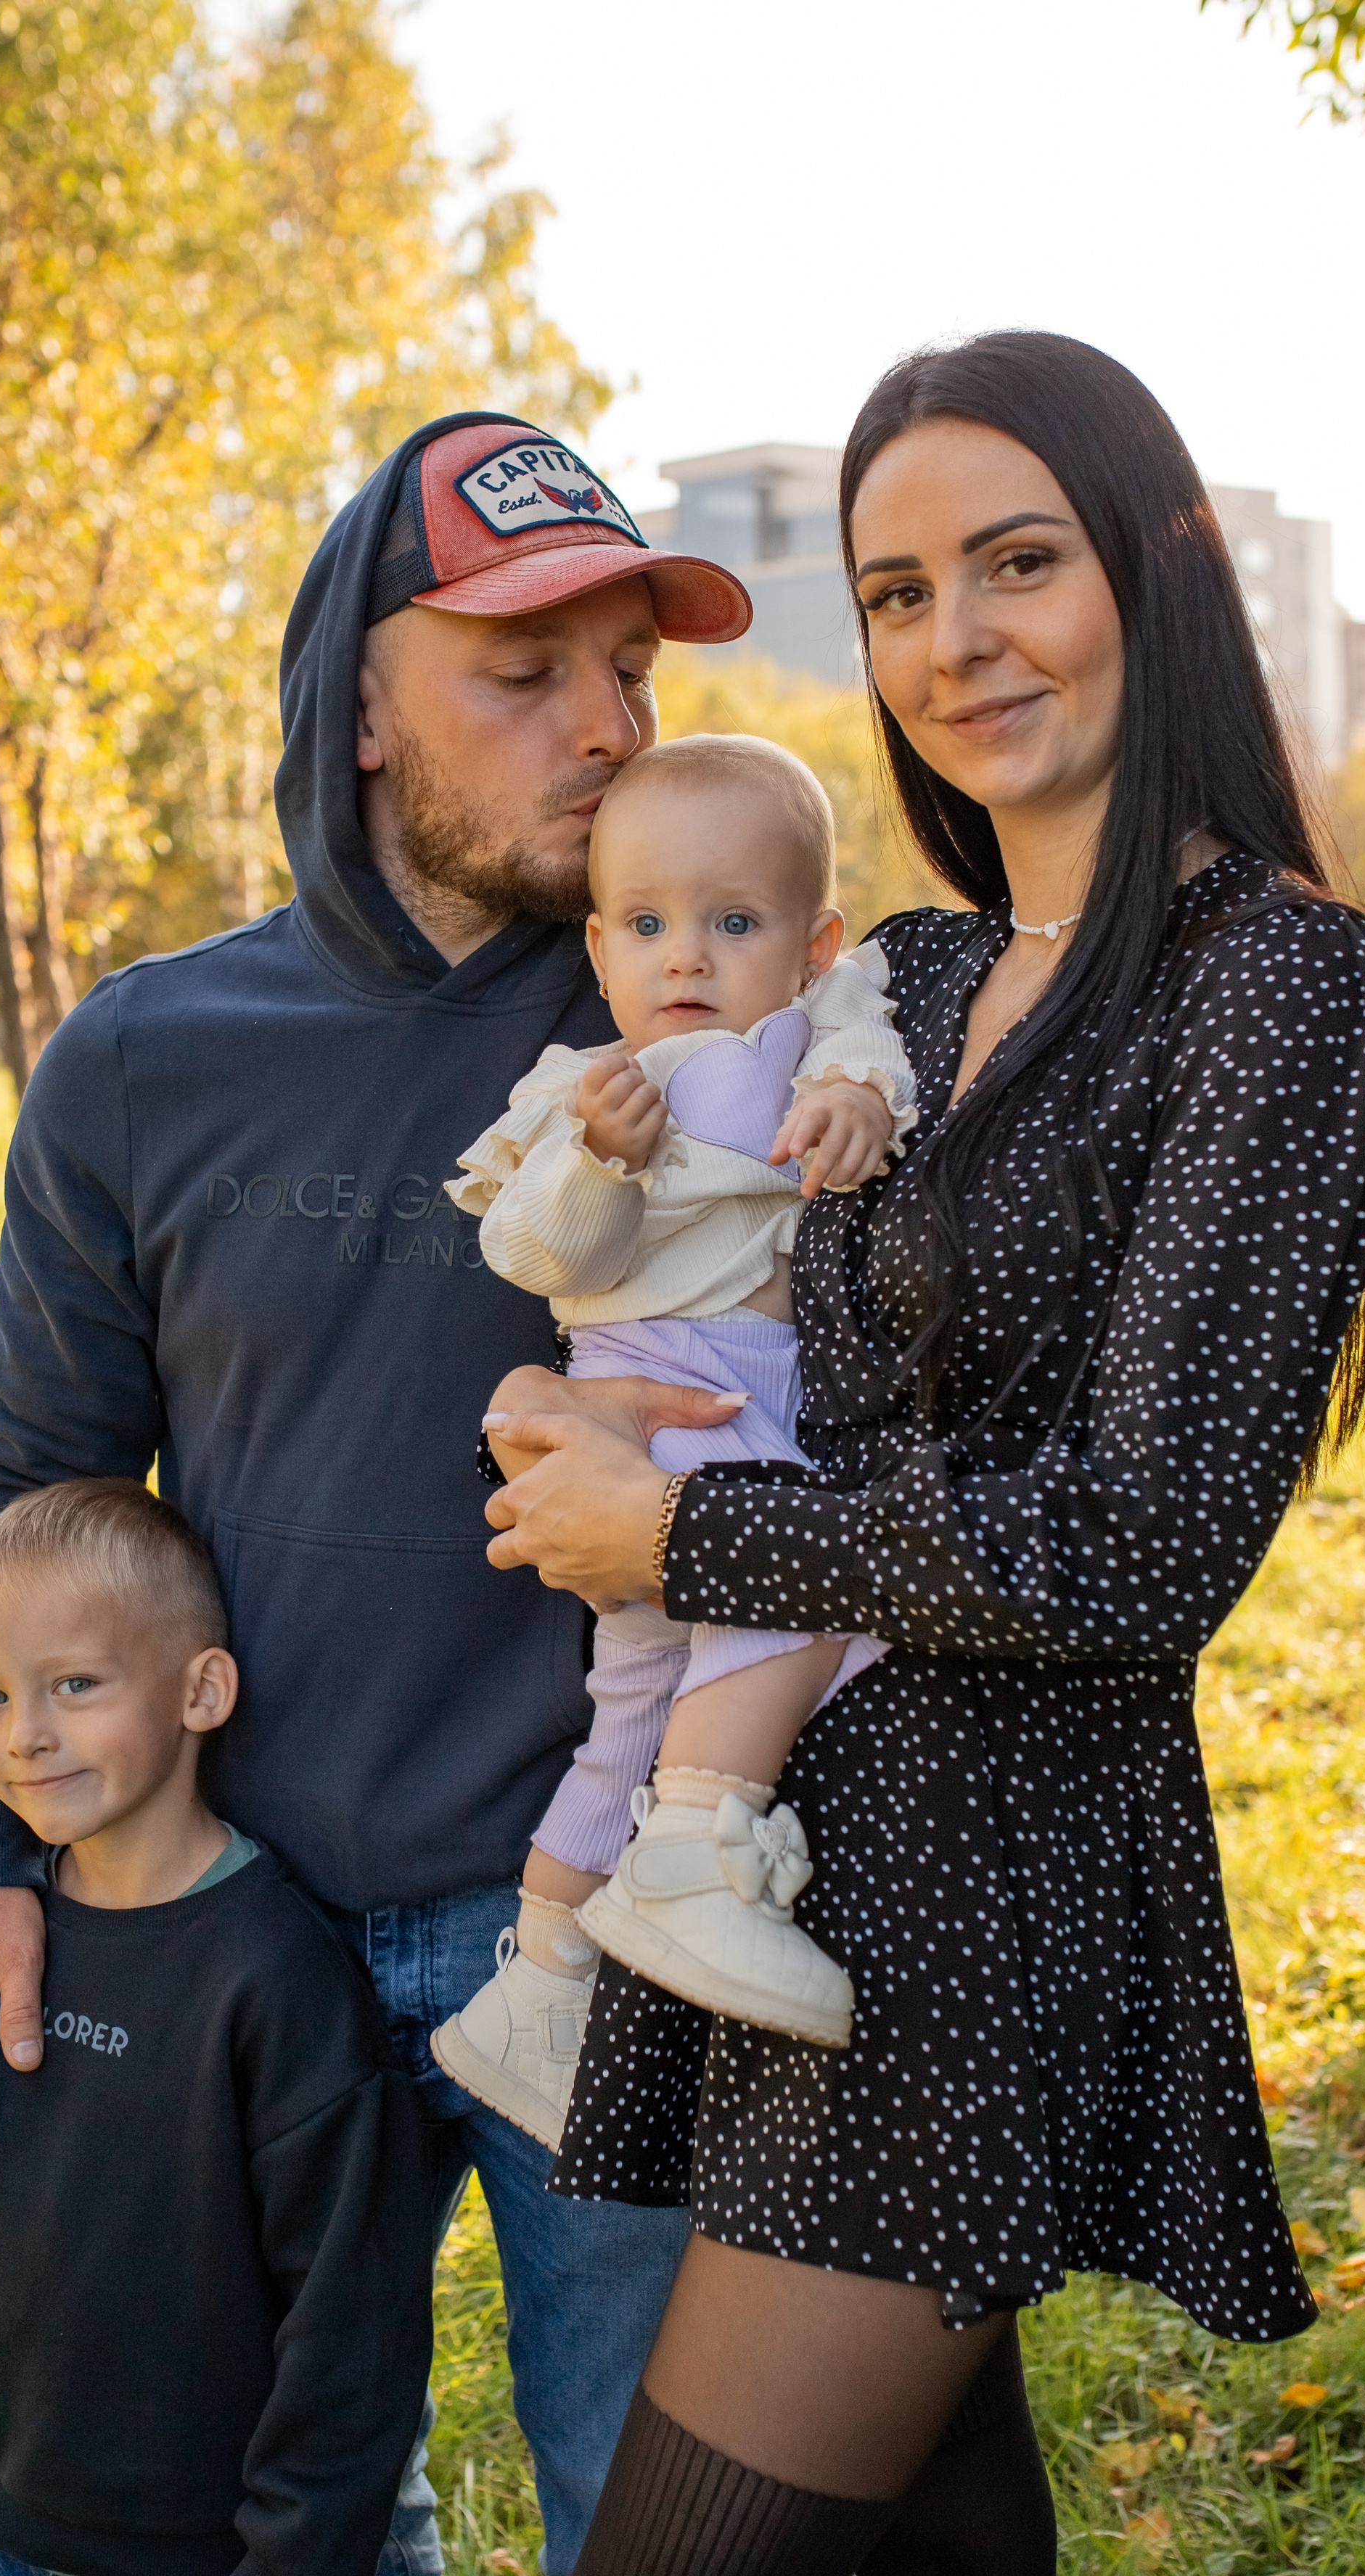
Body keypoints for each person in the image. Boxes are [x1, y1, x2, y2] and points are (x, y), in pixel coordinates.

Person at [476, 332, 1365, 2576]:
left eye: (1021, 563)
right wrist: (583, 1401)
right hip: (797, 1843)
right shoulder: (890, 980)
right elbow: (688, 1258)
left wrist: (684, 1522)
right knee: (955, 2560)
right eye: (900, 590)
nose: (956, 638)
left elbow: (1137, 1539)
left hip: (987, 1905)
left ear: (1157, 574)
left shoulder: (1280, 989)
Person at [0, 415, 754, 2576]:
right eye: (525, 669)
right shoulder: (151, 1056)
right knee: (281, 2540)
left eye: (628, 671)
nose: (607, 724)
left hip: (591, 1931)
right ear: (360, 703)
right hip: (220, 1932)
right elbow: (36, 1479)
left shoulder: (693, 1034)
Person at [0, 1480, 436, 2576]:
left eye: (76, 1685)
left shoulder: (275, 1980)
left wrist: (290, 2569)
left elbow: (356, 2309)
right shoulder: (14, 1939)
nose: (24, 1737)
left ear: (200, 1692)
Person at [432, 734, 914, 2146]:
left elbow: (876, 1060)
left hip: (742, 1389)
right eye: (645, 927)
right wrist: (598, 1159)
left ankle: (542, 1978)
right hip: (663, 1393)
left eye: (733, 923)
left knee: (630, 1703)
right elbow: (528, 1252)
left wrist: (855, 1100)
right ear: (597, 945)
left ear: (813, 943)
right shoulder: (577, 1090)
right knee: (798, 1609)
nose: (684, 958)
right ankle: (693, 1856)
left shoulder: (820, 1033)